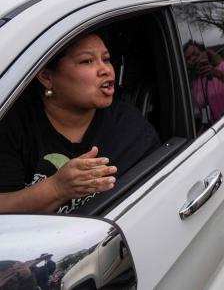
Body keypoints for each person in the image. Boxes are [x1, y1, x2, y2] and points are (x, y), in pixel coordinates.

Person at [0, 33, 160, 214]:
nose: (106, 70)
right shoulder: (11, 125)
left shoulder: (129, 127)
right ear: (46, 77)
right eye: (87, 61)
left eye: (106, 59)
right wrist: (55, 189)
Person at [183, 40, 224, 129]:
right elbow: (204, 111)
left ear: (205, 53)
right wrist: (203, 130)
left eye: (195, 54)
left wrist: (218, 74)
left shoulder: (223, 67)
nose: (193, 59)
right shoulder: (196, 83)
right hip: (218, 131)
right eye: (188, 58)